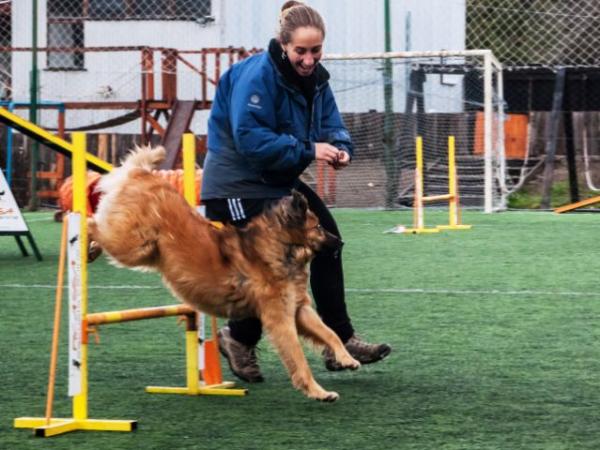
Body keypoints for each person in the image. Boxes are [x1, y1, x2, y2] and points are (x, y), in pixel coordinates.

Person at [201, 0, 391, 383]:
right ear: (283, 45)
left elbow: (331, 124)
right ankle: (238, 339)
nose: (308, 59)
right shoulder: (257, 76)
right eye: (300, 51)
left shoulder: (318, 80)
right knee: (270, 267)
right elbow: (250, 139)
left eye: (315, 50)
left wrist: (340, 149)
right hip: (235, 183)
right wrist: (308, 150)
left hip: (276, 179)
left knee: (327, 242)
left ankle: (340, 341)